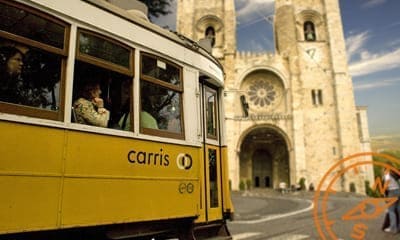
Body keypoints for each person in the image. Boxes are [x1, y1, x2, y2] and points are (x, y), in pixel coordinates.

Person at [381, 167, 400, 233]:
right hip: (398, 191)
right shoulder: (394, 174)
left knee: (391, 210)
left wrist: (383, 191)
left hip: (392, 192)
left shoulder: (387, 174)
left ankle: (393, 228)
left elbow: (386, 184)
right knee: (398, 209)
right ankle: (398, 227)